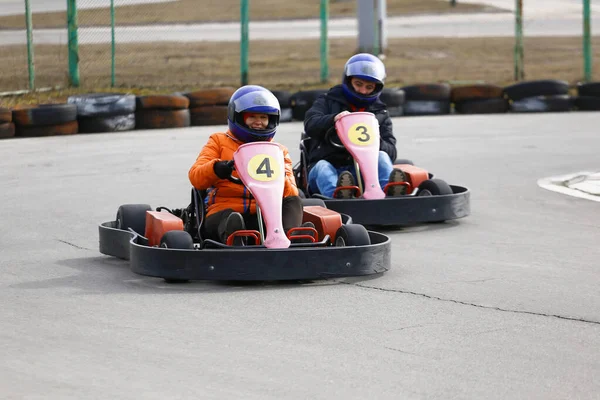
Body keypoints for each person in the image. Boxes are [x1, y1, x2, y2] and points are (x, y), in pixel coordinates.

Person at [188, 85, 304, 245]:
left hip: (266, 214)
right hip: (225, 209)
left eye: (263, 118)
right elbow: (196, 177)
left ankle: (292, 236)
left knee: (294, 200)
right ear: (238, 117)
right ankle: (235, 237)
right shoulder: (218, 141)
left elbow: (289, 191)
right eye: (252, 117)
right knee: (231, 218)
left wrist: (278, 177)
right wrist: (216, 168)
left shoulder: (278, 151)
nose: (259, 122)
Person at [303, 53, 406, 199]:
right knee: (322, 167)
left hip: (366, 173)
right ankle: (339, 195)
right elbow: (310, 124)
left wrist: (375, 141)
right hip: (331, 166)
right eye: (358, 84)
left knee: (382, 157)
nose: (362, 91)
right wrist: (333, 119)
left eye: (369, 87)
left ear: (376, 88)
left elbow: (391, 153)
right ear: (348, 80)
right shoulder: (327, 101)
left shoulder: (380, 113)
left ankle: (389, 195)